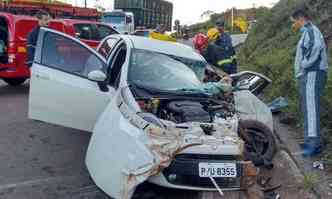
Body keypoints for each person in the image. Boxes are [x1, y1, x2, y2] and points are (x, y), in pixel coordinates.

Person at [291, 9, 329, 157]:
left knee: (311, 109)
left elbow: (314, 49)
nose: (293, 25)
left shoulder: (311, 31)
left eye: (294, 22)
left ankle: (314, 145)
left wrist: (304, 66)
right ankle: (310, 139)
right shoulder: (307, 32)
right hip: (310, 73)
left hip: (313, 73)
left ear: (300, 19)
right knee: (307, 108)